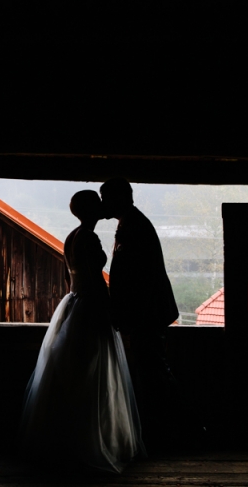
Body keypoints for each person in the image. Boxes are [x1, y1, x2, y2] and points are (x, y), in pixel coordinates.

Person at [18, 190, 145, 473]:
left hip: (74, 302)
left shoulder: (71, 236)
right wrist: (108, 306)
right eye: (98, 203)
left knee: (74, 370)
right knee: (95, 371)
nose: (103, 206)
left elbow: (69, 277)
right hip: (92, 304)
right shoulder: (89, 237)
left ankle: (65, 440)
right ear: (91, 209)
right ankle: (94, 441)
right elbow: (94, 273)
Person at [99, 177, 195, 450]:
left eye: (105, 198)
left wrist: (127, 315)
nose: (103, 204)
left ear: (118, 199)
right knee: (152, 372)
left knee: (154, 373)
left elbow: (140, 279)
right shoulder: (131, 223)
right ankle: (171, 431)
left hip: (147, 315)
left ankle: (179, 432)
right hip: (146, 314)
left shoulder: (135, 227)